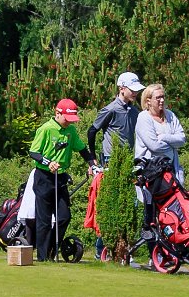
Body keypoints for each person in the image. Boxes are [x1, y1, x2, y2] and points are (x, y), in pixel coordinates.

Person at [29, 99, 89, 261]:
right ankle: (43, 257)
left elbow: (81, 148)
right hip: (44, 177)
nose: (69, 122)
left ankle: (51, 250)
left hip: (60, 177)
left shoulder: (71, 130)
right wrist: (48, 162)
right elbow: (34, 152)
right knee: (44, 220)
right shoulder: (46, 129)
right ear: (57, 113)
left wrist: (92, 163)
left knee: (64, 216)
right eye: (67, 119)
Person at [133, 83, 187, 185]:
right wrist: (172, 144)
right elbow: (154, 146)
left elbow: (182, 139)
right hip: (150, 174)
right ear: (148, 101)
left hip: (171, 171)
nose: (162, 100)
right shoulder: (144, 118)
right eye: (158, 98)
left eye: (163, 97)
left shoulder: (170, 115)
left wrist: (164, 137)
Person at [89, 72, 144, 166]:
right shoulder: (111, 109)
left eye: (137, 90)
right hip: (110, 158)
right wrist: (92, 157)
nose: (135, 93)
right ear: (121, 88)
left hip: (128, 157)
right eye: (132, 90)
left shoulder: (135, 111)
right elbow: (92, 131)